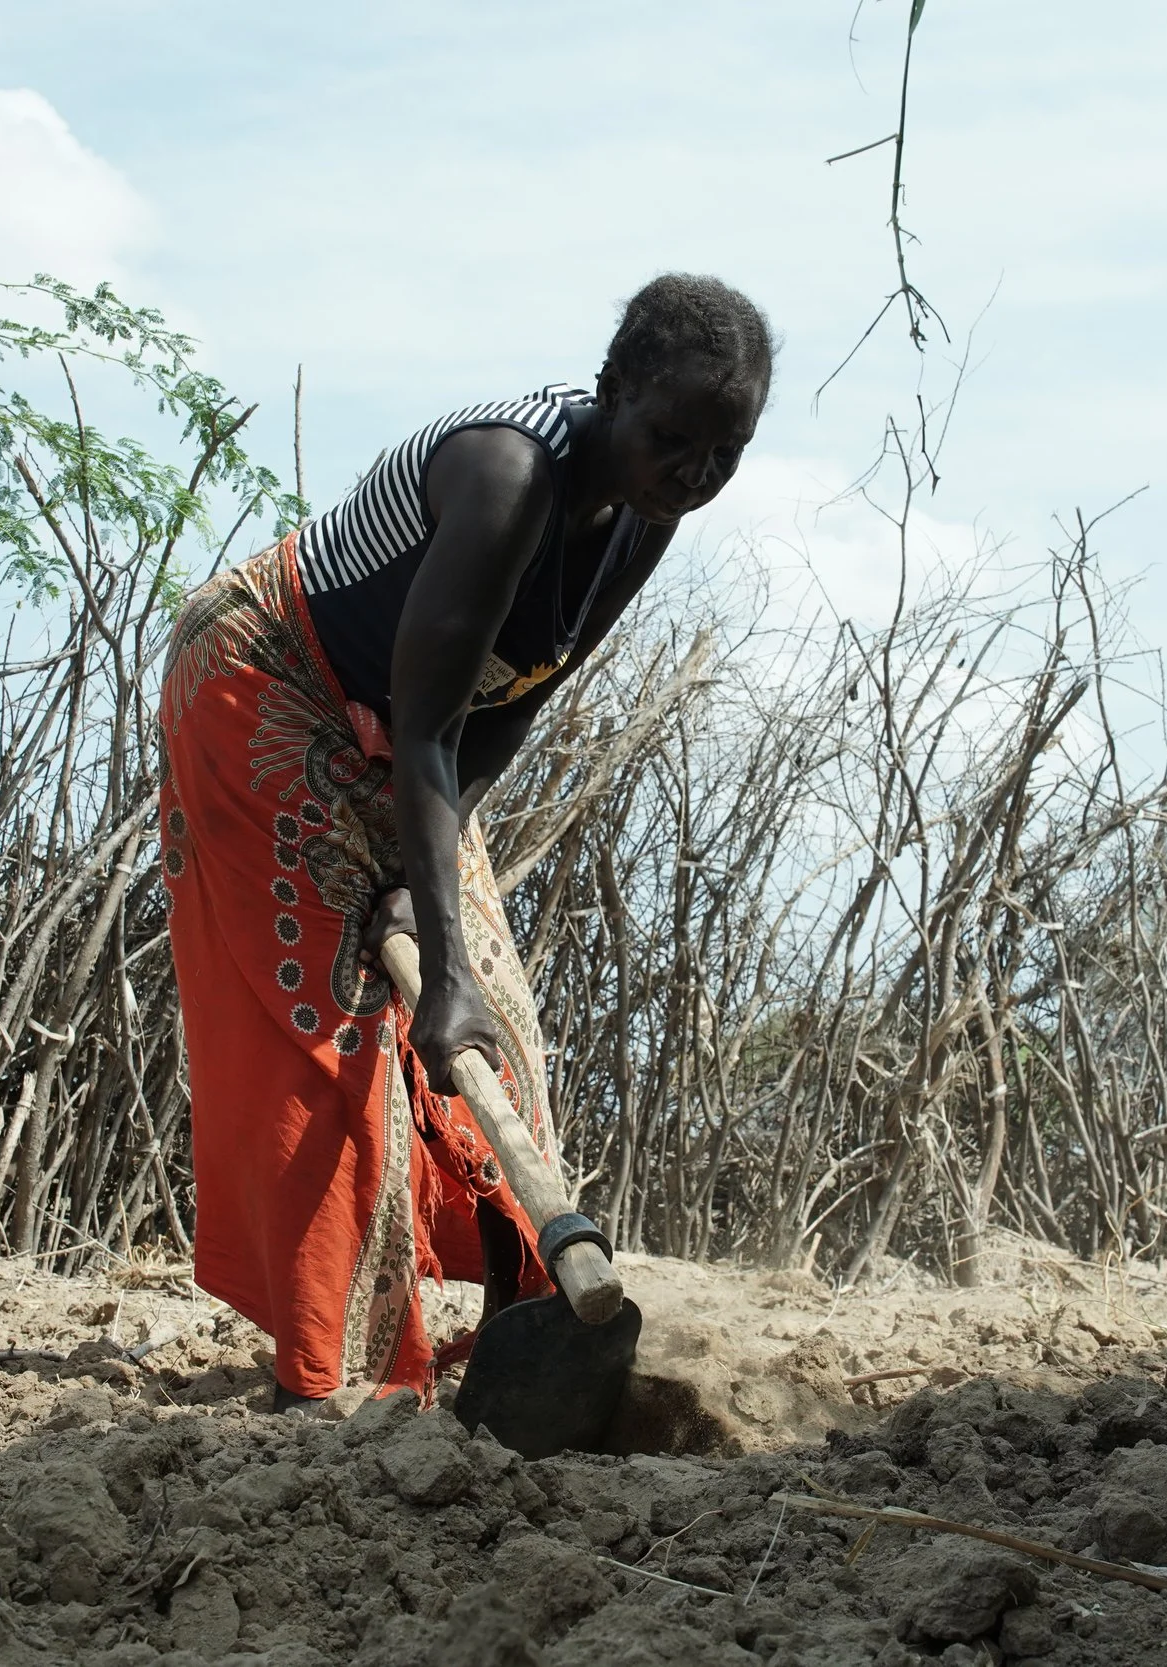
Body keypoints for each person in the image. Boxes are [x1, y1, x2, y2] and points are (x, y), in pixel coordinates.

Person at [156, 274, 772, 1409]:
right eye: (671, 439)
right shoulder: (507, 472)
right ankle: (332, 1374)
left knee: (497, 1022)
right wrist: (432, 963)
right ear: (612, 391)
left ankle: (529, 1337)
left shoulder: (644, 520)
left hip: (418, 733)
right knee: (334, 1024)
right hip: (265, 680)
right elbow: (429, 726)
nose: (694, 473)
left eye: (722, 454)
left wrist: (420, 895)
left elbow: (514, 697)